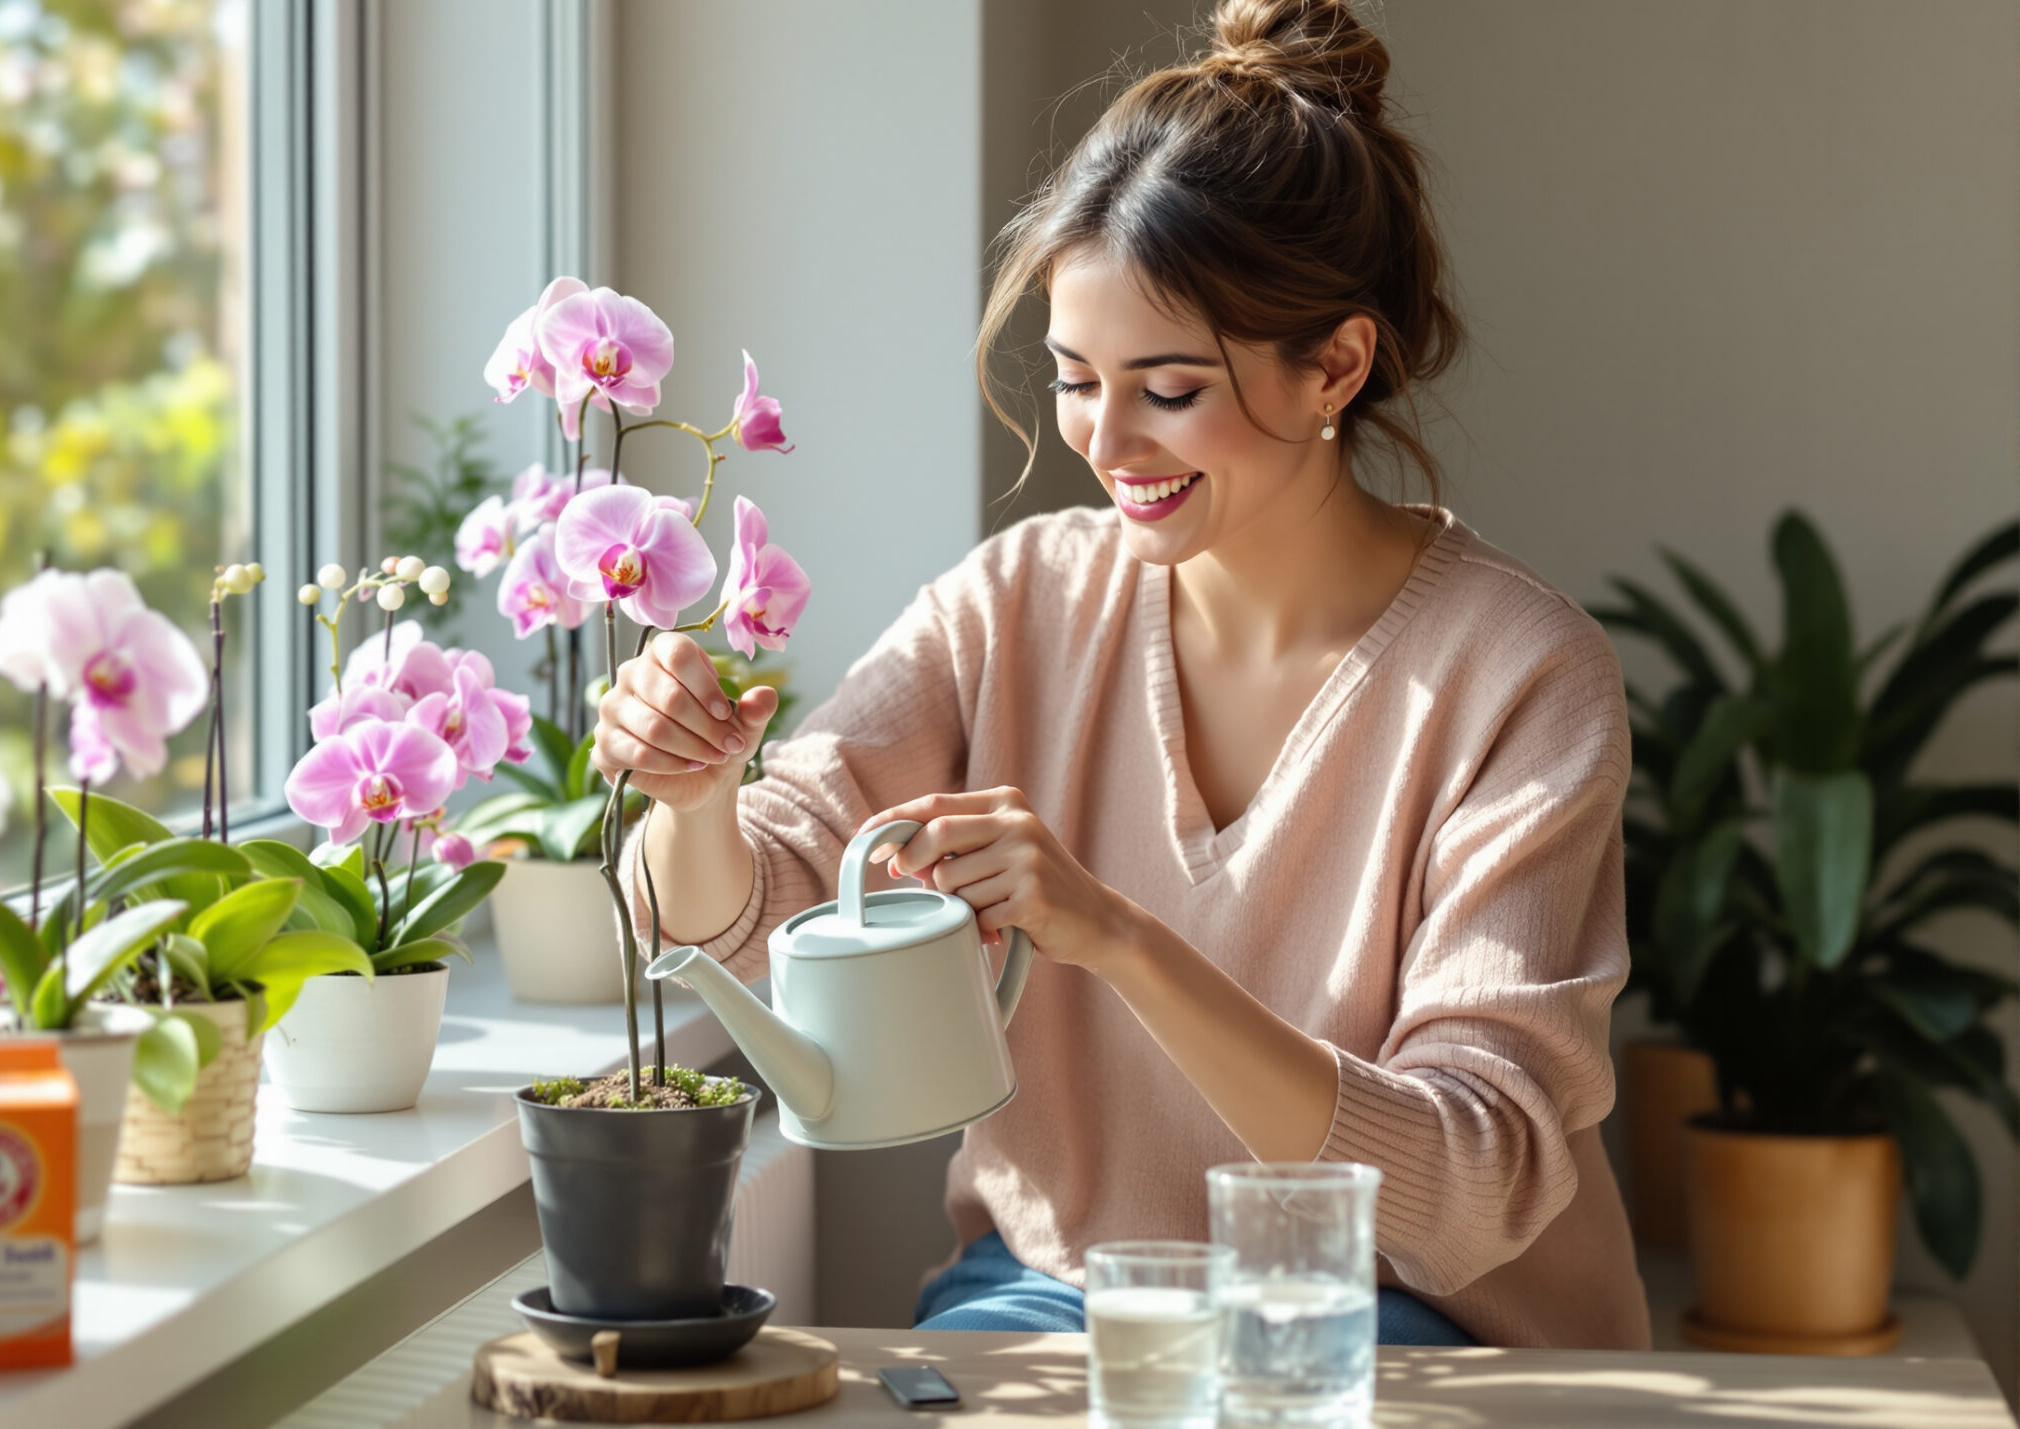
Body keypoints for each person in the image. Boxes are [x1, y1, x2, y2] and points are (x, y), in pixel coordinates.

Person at [600, 0, 1647, 1351]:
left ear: (1335, 362)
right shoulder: (1013, 602)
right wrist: (693, 800)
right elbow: (763, 905)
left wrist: (1123, 941)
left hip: (1405, 1318)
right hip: (1060, 1296)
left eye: (1166, 388)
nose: (1107, 439)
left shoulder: (1522, 676)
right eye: (1075, 379)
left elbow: (1467, 1178)